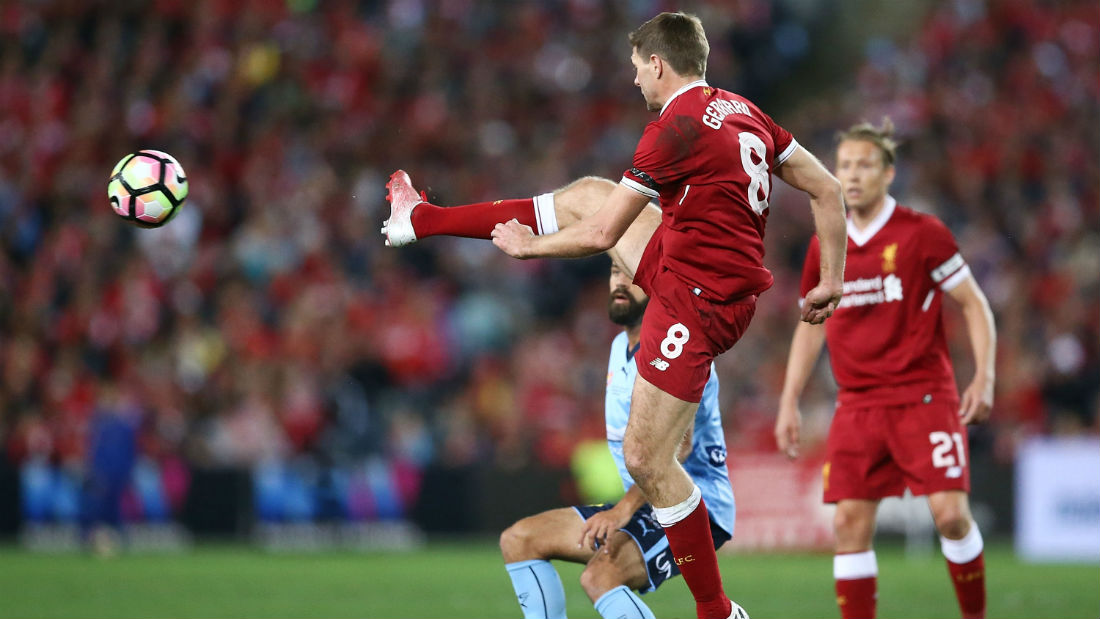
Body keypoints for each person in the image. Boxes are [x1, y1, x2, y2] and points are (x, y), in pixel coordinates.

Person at [383, 12, 847, 618]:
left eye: (635, 68)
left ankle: (718, 611)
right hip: (693, 271)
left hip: (696, 302)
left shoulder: (673, 127)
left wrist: (528, 248)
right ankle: (421, 220)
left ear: (658, 63)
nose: (633, 81)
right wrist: (830, 280)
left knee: (643, 459)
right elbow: (829, 190)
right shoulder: (743, 110)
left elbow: (604, 235)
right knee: (584, 194)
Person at [773, 119, 995, 619]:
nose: (852, 175)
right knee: (849, 525)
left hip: (923, 397)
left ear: (888, 173)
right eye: (845, 165)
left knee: (951, 517)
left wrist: (984, 377)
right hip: (857, 405)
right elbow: (811, 325)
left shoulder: (923, 234)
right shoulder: (824, 245)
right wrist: (789, 399)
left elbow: (974, 303)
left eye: (865, 165)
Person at [499, 260, 736, 619]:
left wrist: (621, 511)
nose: (620, 282)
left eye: (631, 271)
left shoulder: (679, 350)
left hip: (692, 507)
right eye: (614, 272)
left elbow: (677, 448)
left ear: (656, 283)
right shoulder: (618, 346)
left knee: (600, 577)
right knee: (519, 540)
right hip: (642, 504)